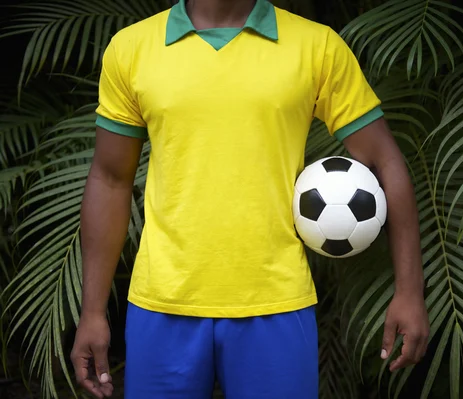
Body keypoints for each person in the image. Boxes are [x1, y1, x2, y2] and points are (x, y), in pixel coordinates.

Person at [69, 0, 430, 398]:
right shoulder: (132, 48)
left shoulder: (316, 46)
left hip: (277, 303)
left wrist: (410, 291)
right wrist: (91, 311)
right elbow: (110, 180)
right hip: (161, 304)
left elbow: (384, 159)